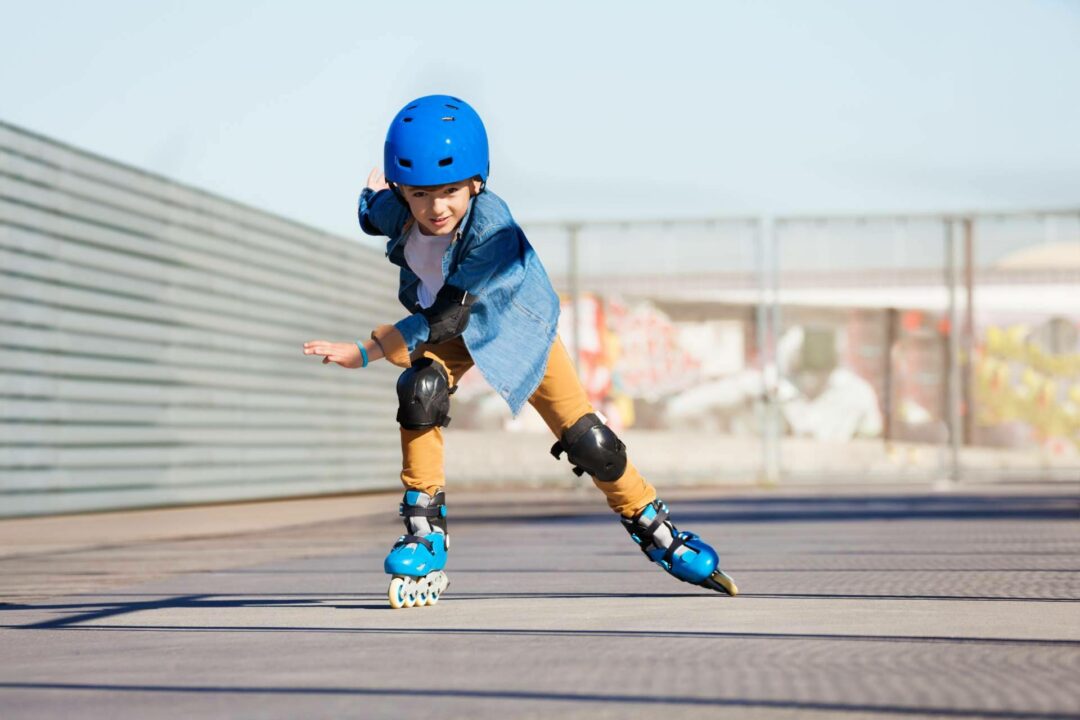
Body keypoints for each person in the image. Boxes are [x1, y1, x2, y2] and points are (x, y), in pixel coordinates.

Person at [303, 95, 737, 608]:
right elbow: (371, 214)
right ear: (402, 191)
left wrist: (367, 349)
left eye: (450, 192)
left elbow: (446, 313)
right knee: (421, 390)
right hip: (448, 331)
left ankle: (655, 527)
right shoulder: (398, 209)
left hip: (513, 327)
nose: (435, 209)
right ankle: (424, 531)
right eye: (420, 195)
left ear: (476, 184)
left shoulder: (494, 227)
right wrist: (368, 196)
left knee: (588, 440)